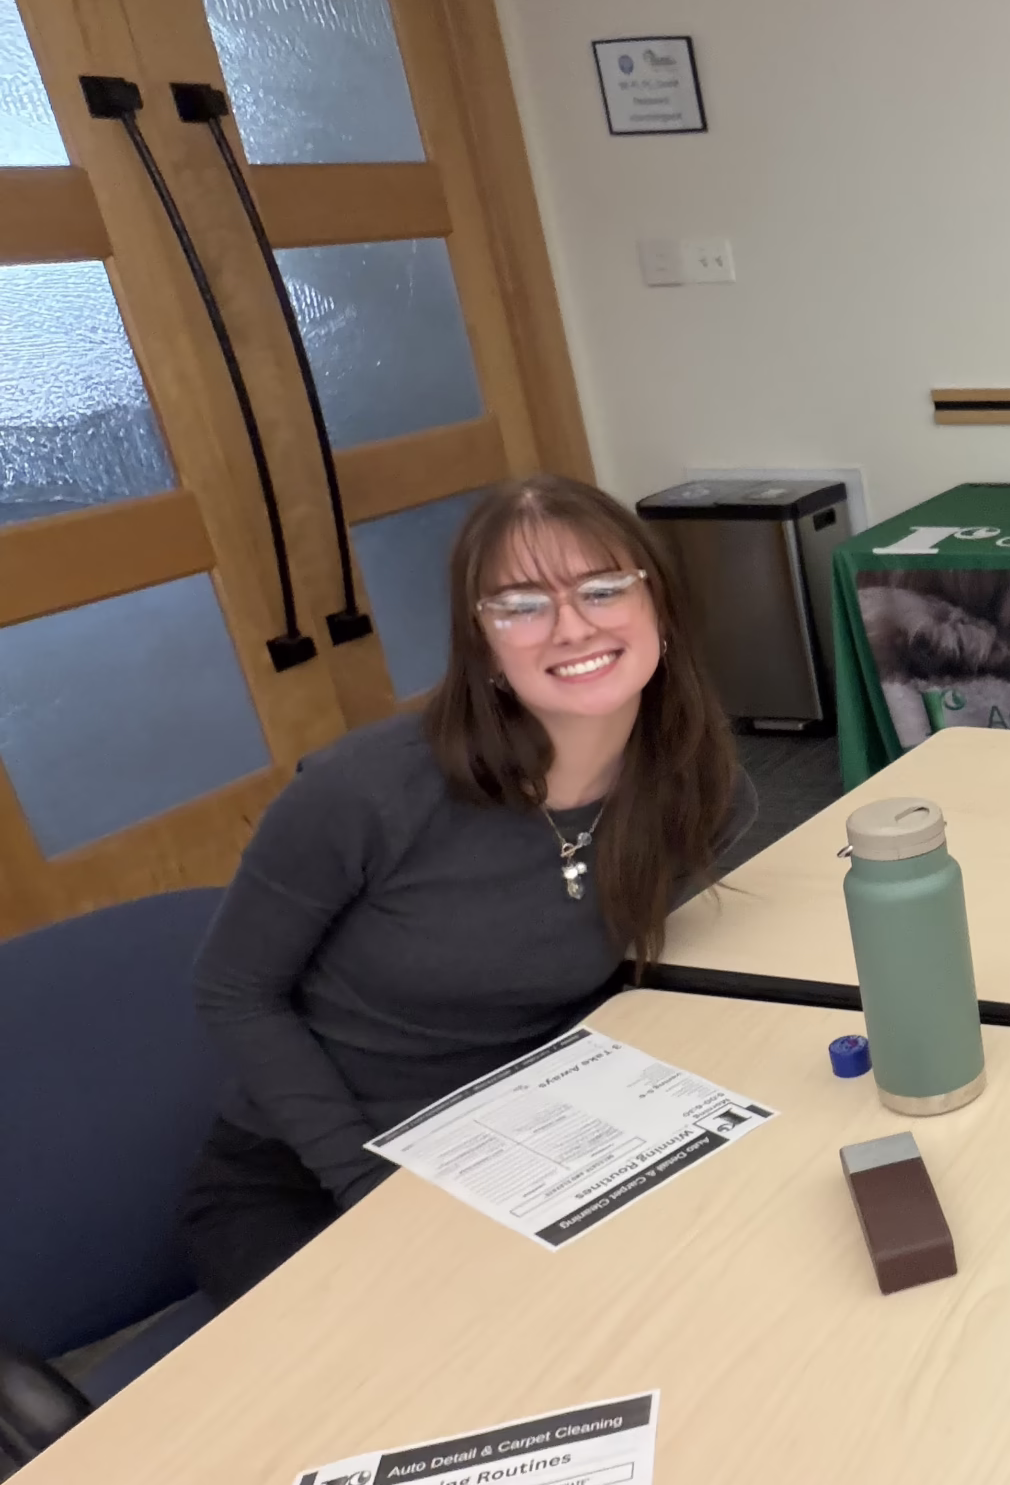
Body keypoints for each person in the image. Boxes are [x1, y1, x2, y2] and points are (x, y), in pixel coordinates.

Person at [181, 475, 752, 1307]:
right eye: (522, 605)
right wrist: (365, 1182)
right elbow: (232, 990)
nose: (573, 626)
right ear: (481, 642)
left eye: (602, 589)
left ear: (657, 607)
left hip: (520, 1145)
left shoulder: (700, 792)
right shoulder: (367, 791)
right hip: (308, 1174)